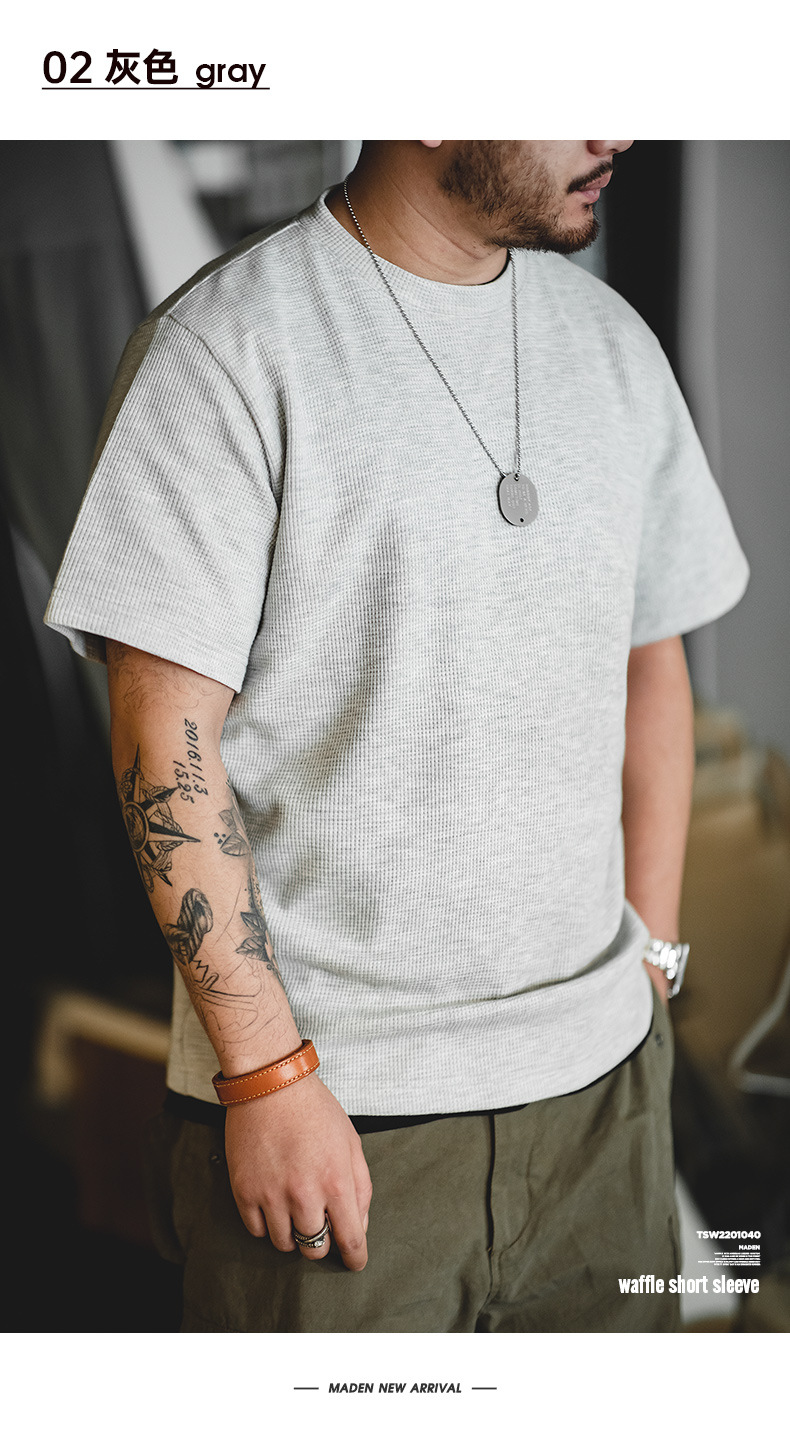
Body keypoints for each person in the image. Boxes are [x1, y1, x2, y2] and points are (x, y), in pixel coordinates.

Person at [45, 141, 749, 1333]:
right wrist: (267, 1073)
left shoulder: (614, 346)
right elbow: (163, 738)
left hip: (604, 1096)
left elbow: (649, 665)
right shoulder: (228, 346)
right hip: (337, 1117)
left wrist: (655, 957)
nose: (618, 130)